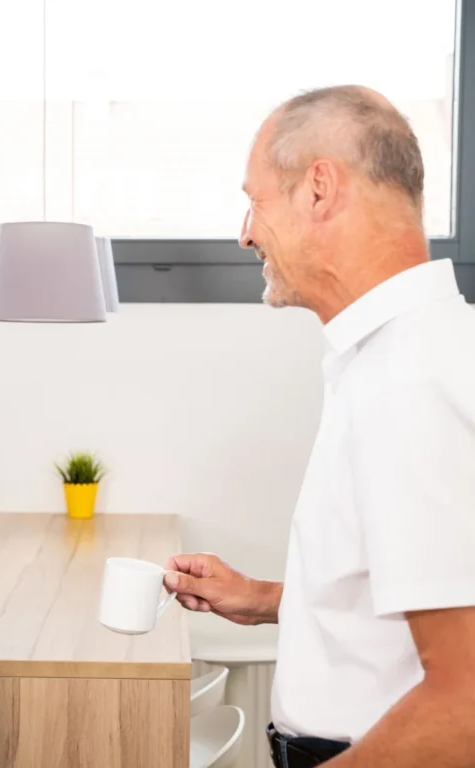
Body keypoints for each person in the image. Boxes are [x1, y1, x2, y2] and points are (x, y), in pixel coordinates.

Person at [165, 85, 475, 768]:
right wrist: (272, 600)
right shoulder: (396, 356)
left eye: (255, 201)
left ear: (320, 189)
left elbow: (466, 699)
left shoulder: (413, 376)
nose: (245, 231)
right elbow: (422, 602)